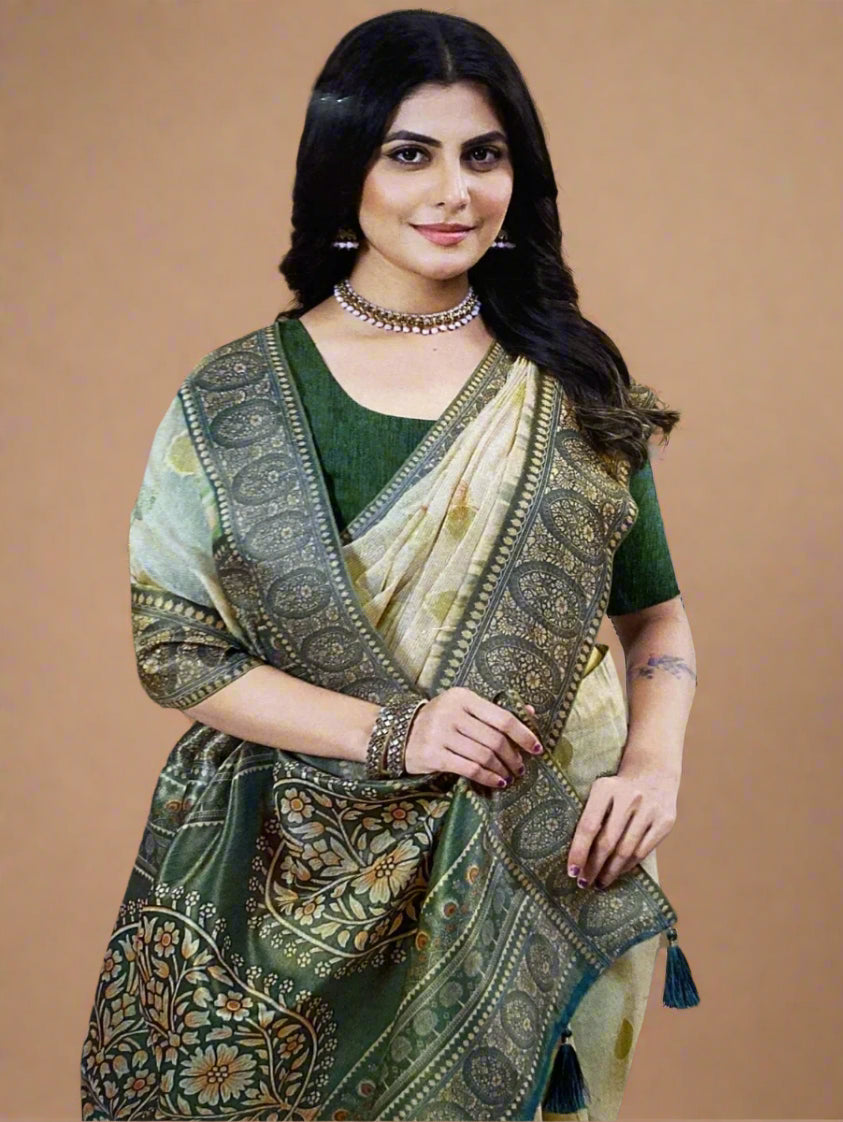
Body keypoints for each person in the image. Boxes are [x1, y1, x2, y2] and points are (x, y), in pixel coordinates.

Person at [79, 9, 699, 1120]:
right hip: (279, 880)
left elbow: (653, 618)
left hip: (530, 870)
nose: (452, 192)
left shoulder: (569, 386)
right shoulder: (233, 400)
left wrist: (652, 765)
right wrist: (392, 733)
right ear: (344, 170)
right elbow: (174, 649)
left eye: (483, 155)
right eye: (409, 154)